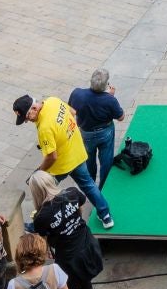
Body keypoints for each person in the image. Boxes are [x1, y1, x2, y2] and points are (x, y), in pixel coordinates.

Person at [15, 93, 112, 229]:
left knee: (43, 190)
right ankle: (106, 215)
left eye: (27, 117)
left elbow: (51, 157)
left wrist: (39, 172)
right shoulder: (53, 101)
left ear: (34, 109)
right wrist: (63, 136)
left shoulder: (44, 128)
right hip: (77, 154)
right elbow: (73, 112)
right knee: (89, 185)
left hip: (60, 166)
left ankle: (38, 225)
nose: (26, 121)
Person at [30, 182, 105, 289]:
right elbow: (80, 209)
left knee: (68, 287)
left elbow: (42, 237)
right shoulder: (71, 194)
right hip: (85, 244)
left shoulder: (42, 216)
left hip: (67, 255)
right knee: (85, 281)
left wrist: (47, 251)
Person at [69, 70, 126, 189]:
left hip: (86, 132)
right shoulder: (109, 100)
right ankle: (103, 186)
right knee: (106, 160)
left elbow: (71, 111)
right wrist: (110, 96)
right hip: (105, 132)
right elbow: (121, 117)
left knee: (89, 159)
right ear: (106, 85)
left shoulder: (77, 94)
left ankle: (91, 185)